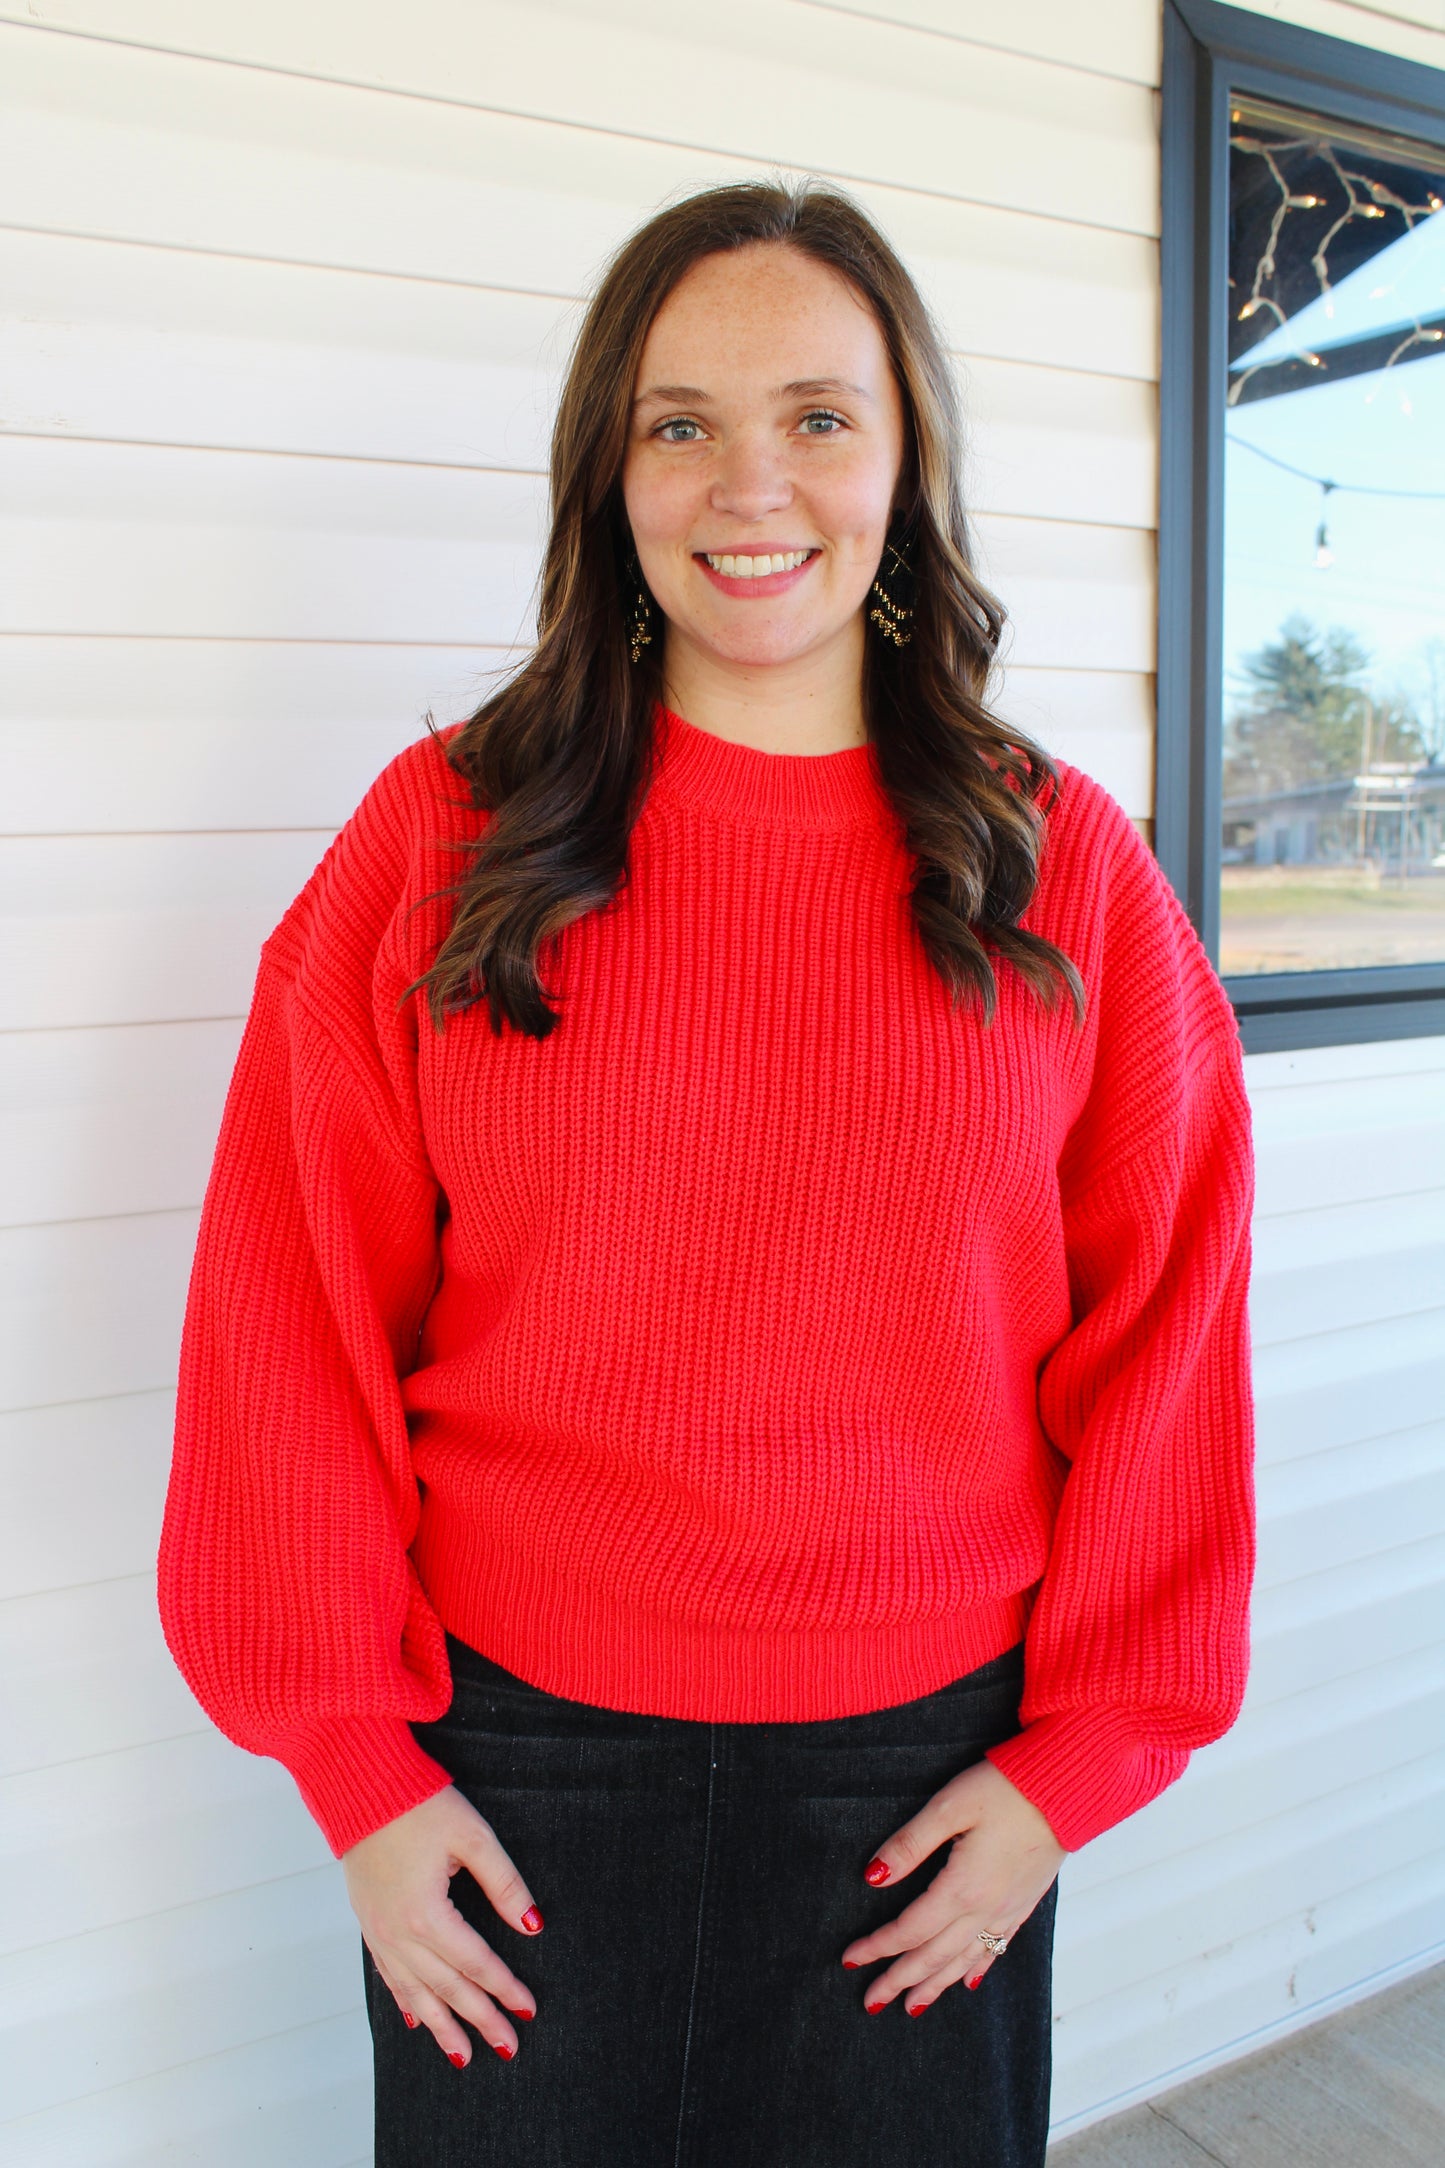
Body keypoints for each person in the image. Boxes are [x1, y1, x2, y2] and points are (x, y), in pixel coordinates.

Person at [156, 178, 1256, 2168]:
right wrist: (354, 1770)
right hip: (511, 1783)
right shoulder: (441, 845)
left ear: (907, 462)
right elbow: (286, 1305)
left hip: (931, 1786)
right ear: (612, 471)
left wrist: (1079, 1763)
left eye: (821, 416)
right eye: (682, 422)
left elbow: (1168, 1330)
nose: (752, 483)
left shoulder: (1060, 868)